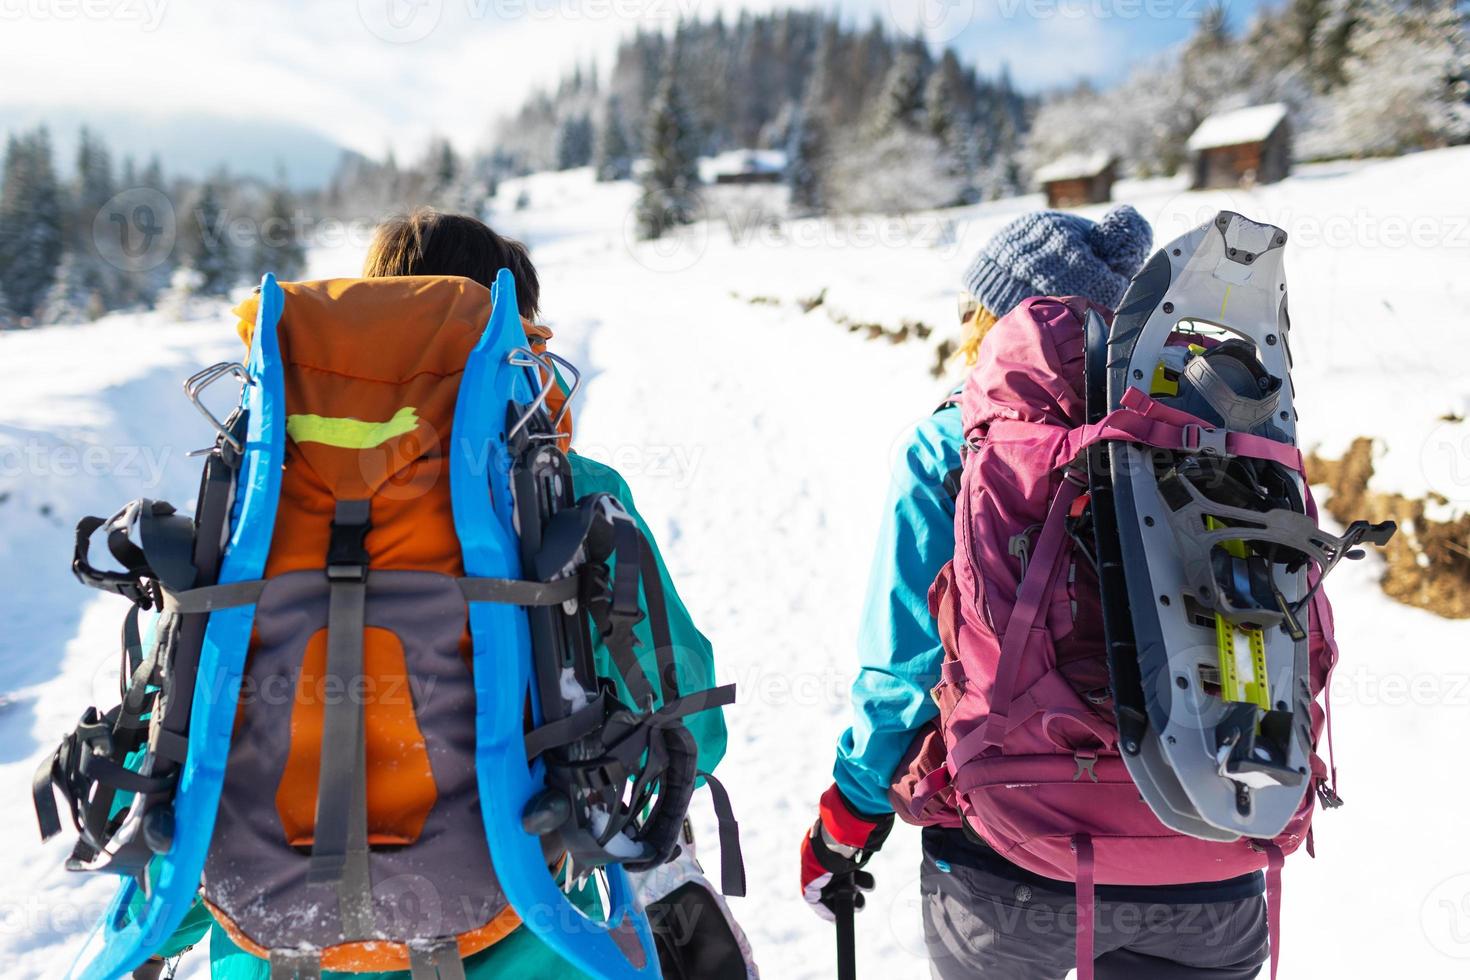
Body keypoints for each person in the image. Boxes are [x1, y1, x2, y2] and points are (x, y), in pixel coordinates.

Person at [143, 208, 735, 980]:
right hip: (526, 931)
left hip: (274, 946)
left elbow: (180, 738)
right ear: (513, 345)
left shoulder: (260, 491)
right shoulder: (565, 493)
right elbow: (685, 723)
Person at [799, 205, 1273, 979]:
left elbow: (908, 674)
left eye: (969, 312)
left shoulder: (949, 444)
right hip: (1211, 850)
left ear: (1008, 319)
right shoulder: (1207, 436)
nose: (959, 337)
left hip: (1012, 863)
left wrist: (849, 814)